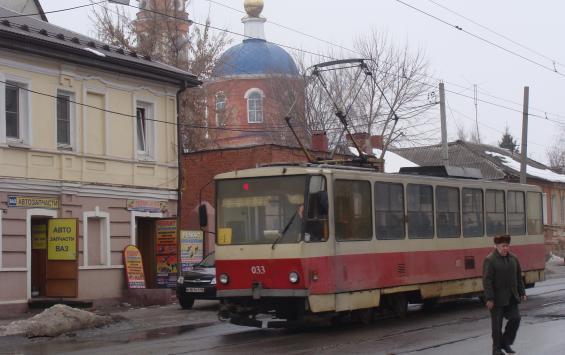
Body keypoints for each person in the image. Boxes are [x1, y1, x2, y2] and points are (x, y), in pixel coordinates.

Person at [482, 234, 526, 355]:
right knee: (497, 326)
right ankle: (496, 349)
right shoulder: (490, 260)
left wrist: (522, 292)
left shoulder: (514, 258)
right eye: (503, 246)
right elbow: (487, 280)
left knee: (516, 318)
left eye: (507, 246)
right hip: (496, 299)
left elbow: (518, 276)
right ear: (496, 246)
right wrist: (489, 298)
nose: (506, 248)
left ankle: (505, 342)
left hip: (512, 297)